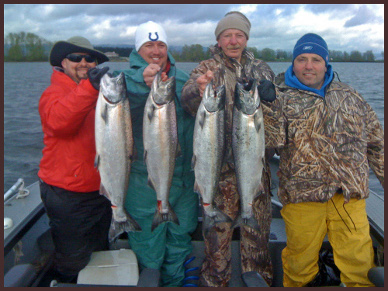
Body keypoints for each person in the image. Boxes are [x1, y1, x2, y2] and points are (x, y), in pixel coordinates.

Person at [267, 33, 384, 287]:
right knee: (299, 266)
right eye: (302, 59)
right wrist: (263, 107)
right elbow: (268, 146)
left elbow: (378, 144)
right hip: (302, 197)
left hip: (349, 197)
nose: (308, 66)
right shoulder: (278, 96)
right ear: (293, 62)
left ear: (326, 63)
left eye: (316, 59)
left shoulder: (350, 96)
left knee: (360, 265)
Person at [181, 11, 278, 287]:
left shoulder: (262, 68)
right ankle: (215, 282)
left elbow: (278, 113)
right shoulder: (206, 67)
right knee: (216, 246)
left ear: (246, 38)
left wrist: (273, 96)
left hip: (255, 171)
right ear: (219, 39)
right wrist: (196, 90)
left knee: (257, 244)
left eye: (239, 35)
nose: (233, 40)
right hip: (218, 172)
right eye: (227, 35)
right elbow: (186, 100)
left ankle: (258, 281)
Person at [112, 21, 199, 287]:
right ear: (138, 50)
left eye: (160, 44)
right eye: (148, 45)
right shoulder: (124, 80)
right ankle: (151, 282)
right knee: (148, 245)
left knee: (180, 240)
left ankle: (174, 283)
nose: (156, 50)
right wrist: (142, 81)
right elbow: (122, 96)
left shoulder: (184, 80)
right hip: (144, 182)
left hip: (182, 180)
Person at [38, 36, 111, 283]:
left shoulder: (99, 92)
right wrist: (90, 88)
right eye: (75, 57)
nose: (83, 62)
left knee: (99, 254)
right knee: (74, 261)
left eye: (89, 58)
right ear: (63, 62)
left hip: (99, 190)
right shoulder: (54, 92)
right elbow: (60, 124)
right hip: (67, 194)